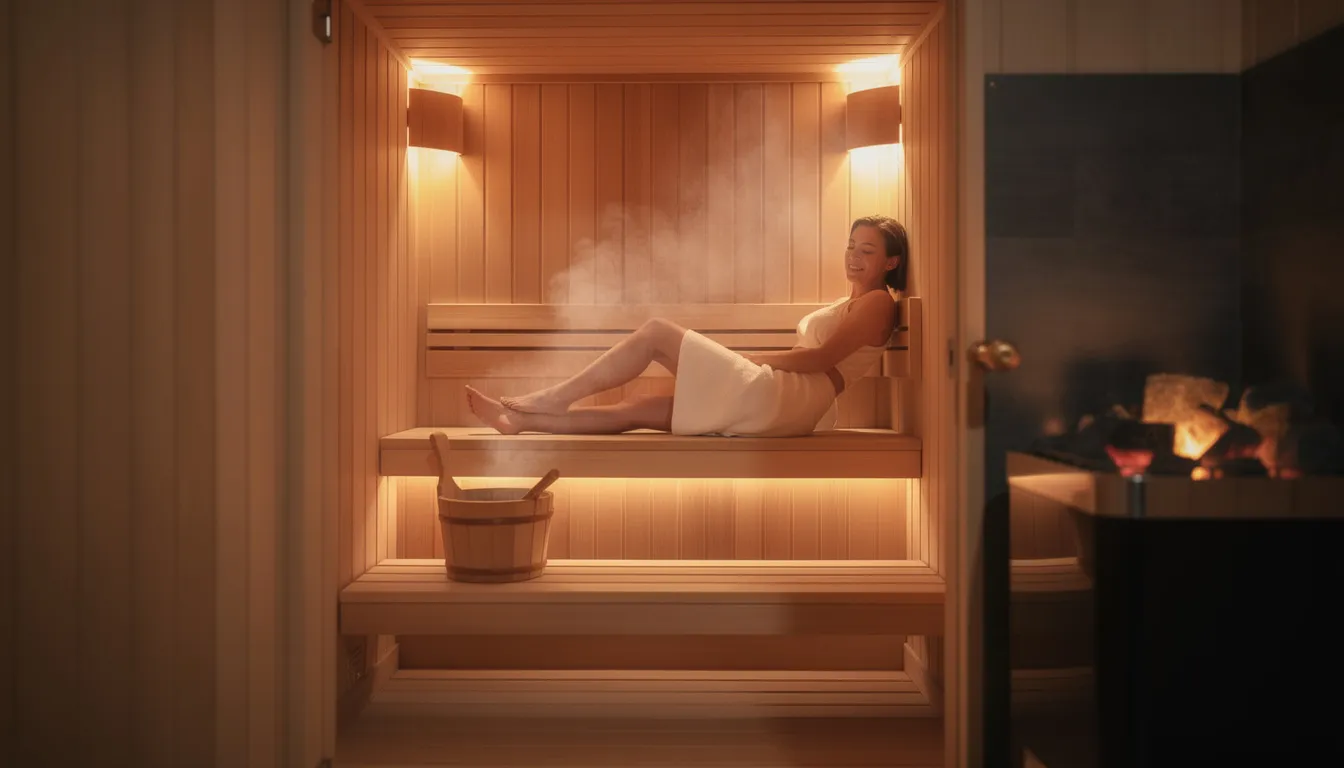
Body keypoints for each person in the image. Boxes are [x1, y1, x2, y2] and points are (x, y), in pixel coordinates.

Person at [466, 215, 910, 437]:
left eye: (867, 251)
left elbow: (821, 358)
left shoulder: (878, 304)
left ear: (890, 261)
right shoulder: (850, 301)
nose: (854, 256)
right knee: (642, 408)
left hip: (791, 395)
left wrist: (748, 360)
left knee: (657, 332)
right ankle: (520, 422)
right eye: (851, 246)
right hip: (788, 400)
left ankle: (553, 397)